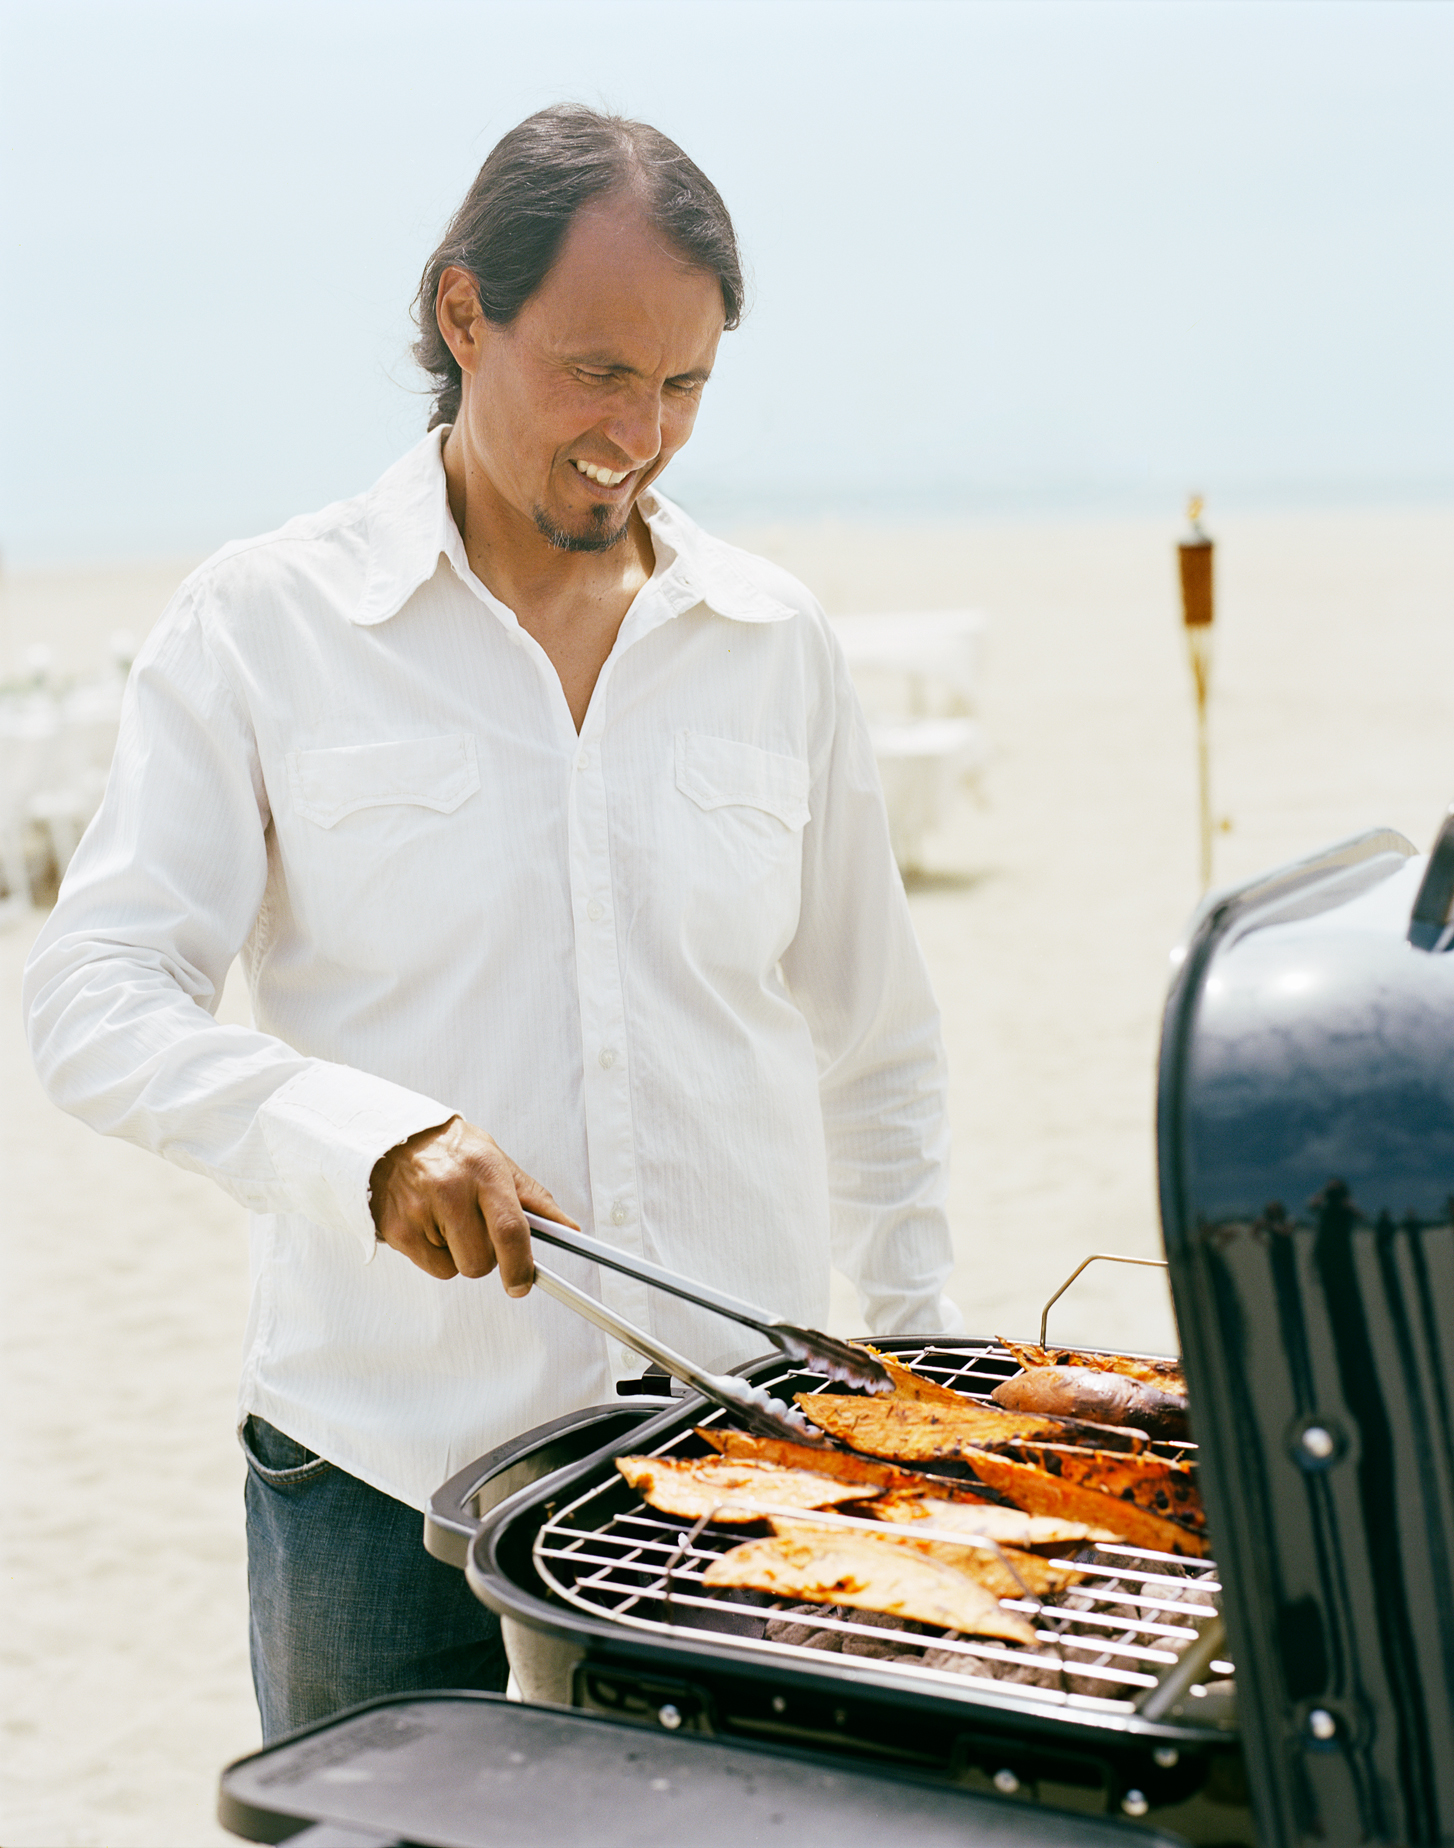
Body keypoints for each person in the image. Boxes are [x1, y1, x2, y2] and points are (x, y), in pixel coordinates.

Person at [23, 104, 959, 1741]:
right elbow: (94, 994)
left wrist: (917, 1380)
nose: (641, 434)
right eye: (599, 373)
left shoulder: (773, 640)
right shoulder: (266, 620)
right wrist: (363, 1141)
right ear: (466, 314)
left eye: (683, 389)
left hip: (733, 1467)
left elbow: (878, 1046)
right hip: (380, 1472)